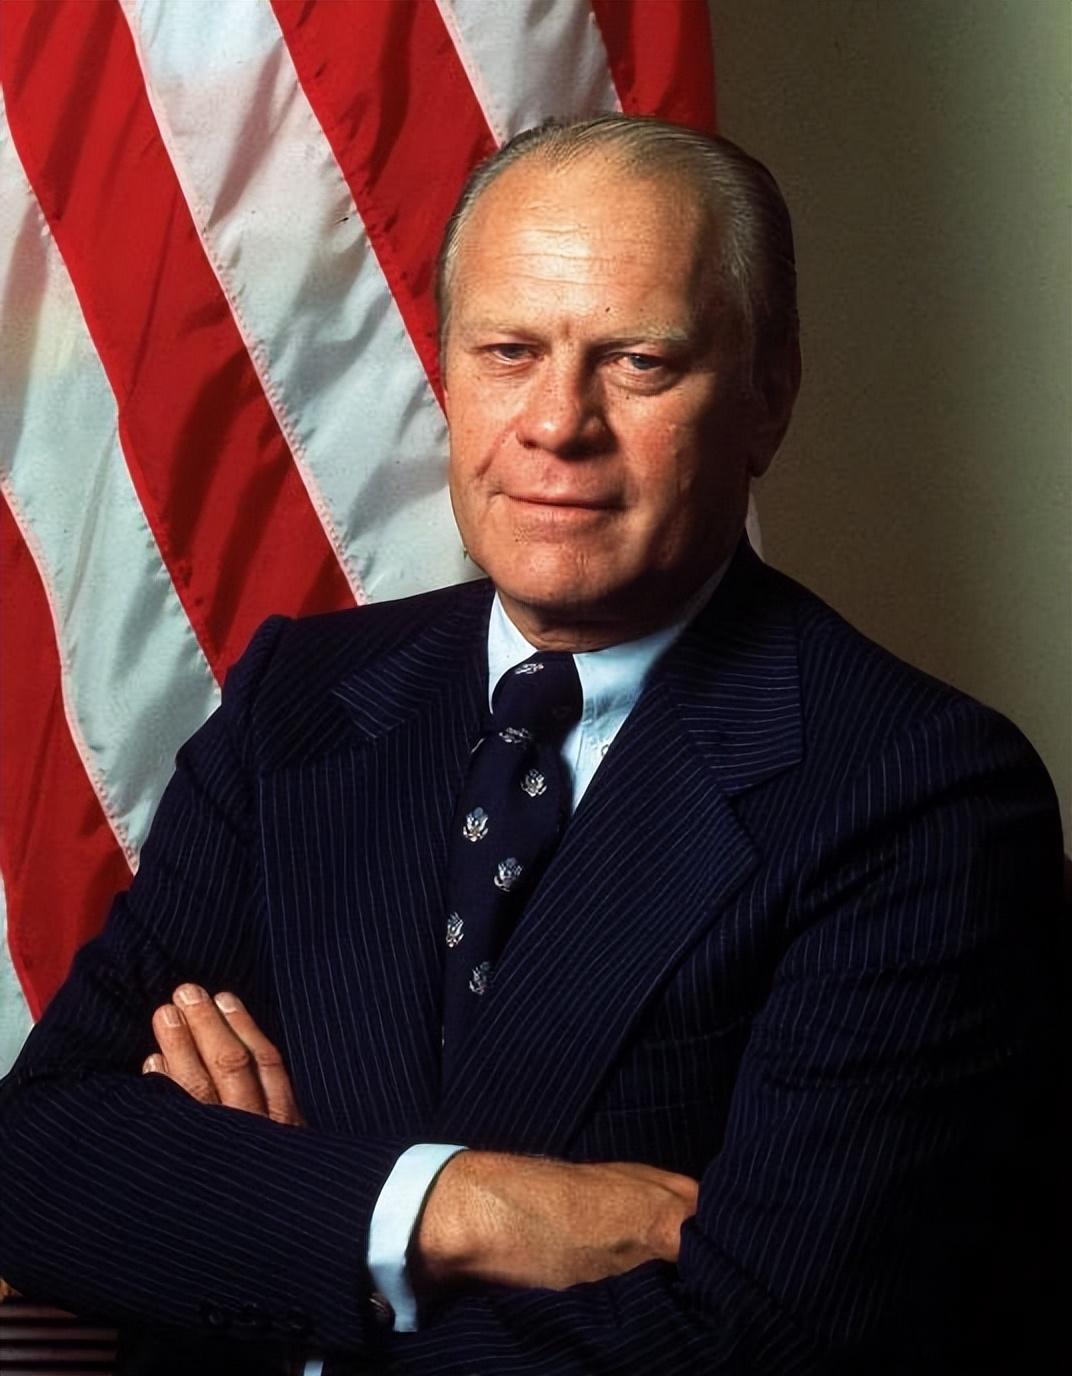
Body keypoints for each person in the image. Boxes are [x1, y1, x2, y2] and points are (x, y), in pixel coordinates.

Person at [0, 116, 1062, 1375]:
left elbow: (766, 1333)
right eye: (508, 352)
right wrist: (455, 1206)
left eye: (639, 362)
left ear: (766, 401)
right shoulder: (302, 700)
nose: (557, 424)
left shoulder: (918, 791)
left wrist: (265, 1211)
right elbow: (36, 1157)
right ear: (447, 375)